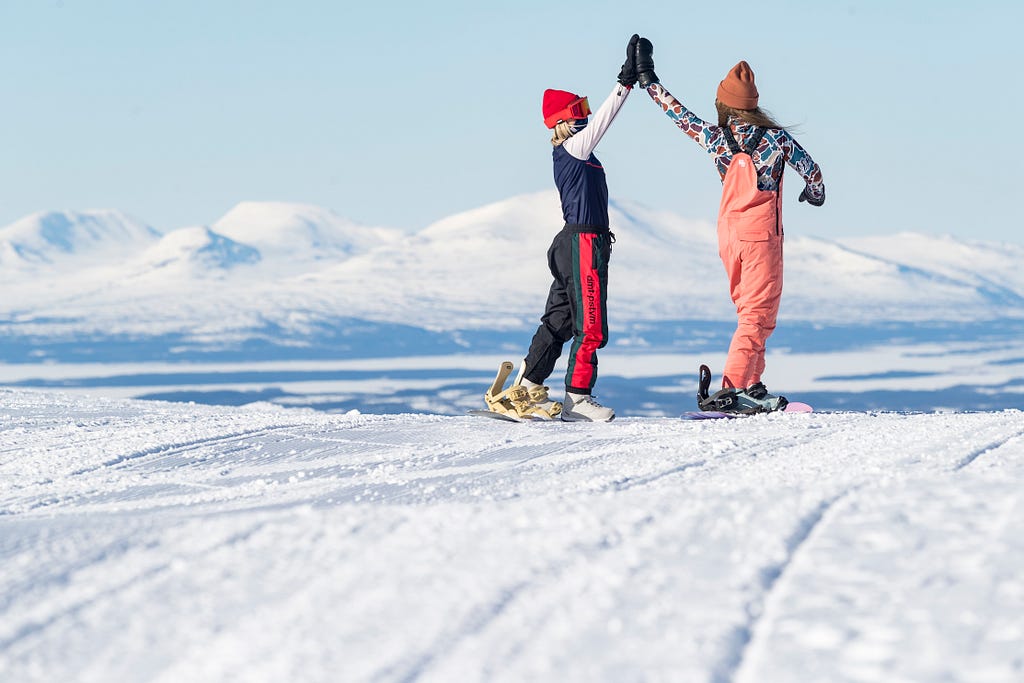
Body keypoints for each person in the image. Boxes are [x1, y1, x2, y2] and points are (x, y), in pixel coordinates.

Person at [635, 39, 825, 413]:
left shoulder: (715, 138)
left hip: (729, 236)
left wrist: (648, 79)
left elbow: (679, 114)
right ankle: (734, 387)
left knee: (748, 312)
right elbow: (813, 174)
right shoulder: (776, 139)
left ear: (724, 103)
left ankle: (751, 384)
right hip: (760, 238)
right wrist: (814, 195)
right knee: (758, 315)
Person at [505, 35, 639, 422]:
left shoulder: (575, 153)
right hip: (582, 242)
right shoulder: (574, 148)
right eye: (578, 108)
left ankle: (529, 386)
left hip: (574, 241)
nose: (586, 113)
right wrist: (625, 81)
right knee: (591, 325)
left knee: (561, 318)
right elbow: (604, 121)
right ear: (563, 120)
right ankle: (578, 399)